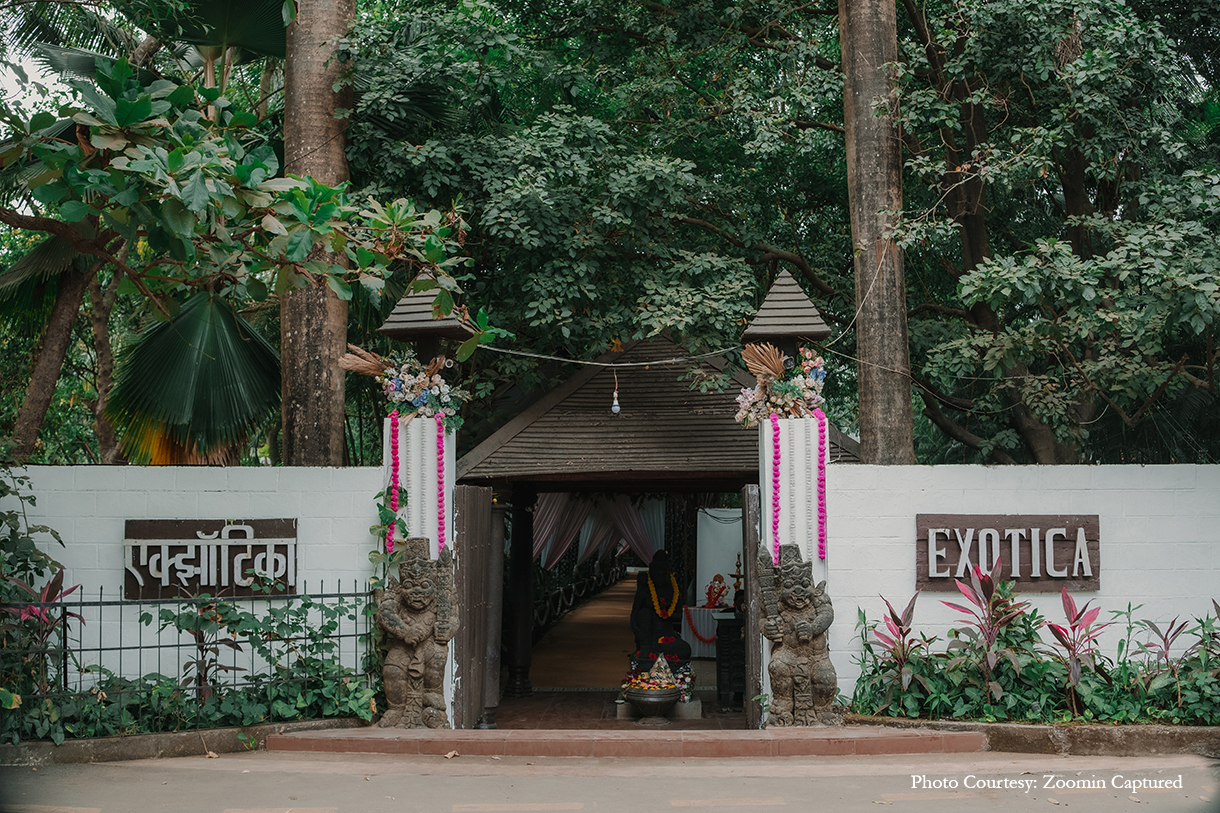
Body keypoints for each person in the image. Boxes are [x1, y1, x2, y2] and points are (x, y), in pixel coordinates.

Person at [628, 549, 692, 671]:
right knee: (644, 614)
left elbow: (679, 616)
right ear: (652, 572)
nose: (661, 577)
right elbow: (634, 615)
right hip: (648, 638)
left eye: (664, 574)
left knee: (685, 649)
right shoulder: (646, 588)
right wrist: (640, 634)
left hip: (667, 635)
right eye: (657, 573)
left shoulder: (672, 589)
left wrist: (668, 615)